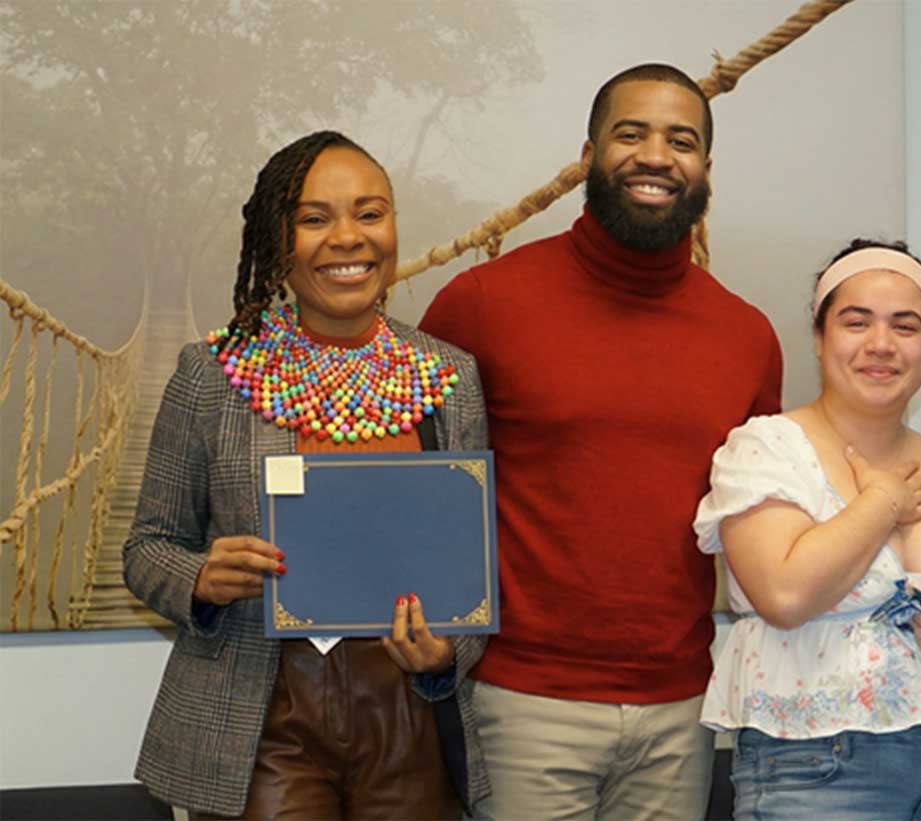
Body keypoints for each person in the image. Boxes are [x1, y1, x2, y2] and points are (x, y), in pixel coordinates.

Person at [418, 63, 782, 820]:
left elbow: (764, 528)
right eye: (630, 133)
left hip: (682, 707)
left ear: (705, 171)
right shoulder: (481, 305)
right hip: (523, 701)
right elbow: (415, 485)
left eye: (680, 140)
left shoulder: (747, 337)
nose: (656, 155)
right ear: (585, 157)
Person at [123, 130, 490, 819]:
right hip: (263, 722)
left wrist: (447, 651)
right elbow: (147, 546)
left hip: (410, 719)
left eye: (370, 213)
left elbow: (470, 566)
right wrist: (200, 578)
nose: (348, 237)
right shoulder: (211, 374)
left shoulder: (449, 376)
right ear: (276, 241)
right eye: (314, 219)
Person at [693, 240, 921, 821]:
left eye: (905, 326)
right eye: (856, 322)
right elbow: (784, 595)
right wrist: (882, 500)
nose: (881, 345)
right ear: (819, 335)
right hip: (815, 771)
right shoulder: (767, 447)